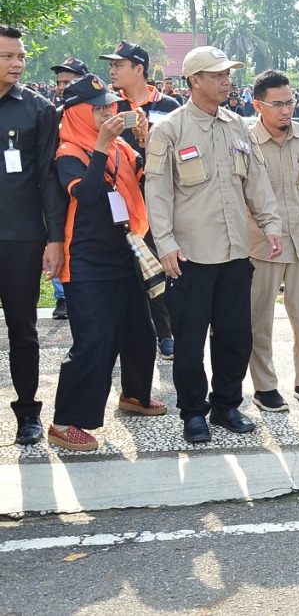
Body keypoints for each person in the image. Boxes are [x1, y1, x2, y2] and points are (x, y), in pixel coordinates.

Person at [146, 47, 283, 443]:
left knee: (235, 335)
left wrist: (269, 224)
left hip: (236, 252)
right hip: (189, 255)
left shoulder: (237, 126)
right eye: (217, 75)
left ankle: (226, 405)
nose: (227, 81)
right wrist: (166, 244)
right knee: (188, 342)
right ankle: (193, 412)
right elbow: (157, 191)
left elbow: (256, 181)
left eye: (228, 74)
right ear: (194, 81)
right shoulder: (169, 129)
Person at [47, 75, 167, 450]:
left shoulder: (121, 148)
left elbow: (146, 181)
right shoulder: (69, 151)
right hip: (87, 260)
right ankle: (65, 423)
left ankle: (133, 395)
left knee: (139, 332)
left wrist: (145, 142)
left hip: (124, 252)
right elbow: (88, 193)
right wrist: (100, 147)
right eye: (97, 108)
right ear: (78, 113)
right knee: (94, 341)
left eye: (109, 106)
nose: (106, 113)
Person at [244, 70, 299, 412]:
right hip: (261, 243)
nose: (285, 110)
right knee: (259, 321)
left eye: (289, 102)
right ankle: (265, 387)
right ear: (258, 105)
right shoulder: (245, 141)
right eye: (276, 104)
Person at [0, 25, 66, 446]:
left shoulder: (37, 110)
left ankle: (27, 412)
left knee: (22, 328)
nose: (17, 63)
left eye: (20, 56)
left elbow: (48, 179)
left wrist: (54, 239)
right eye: (7, 56)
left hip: (21, 237)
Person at [99, 41, 182, 359]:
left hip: (159, 202)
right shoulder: (108, 106)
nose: (112, 70)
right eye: (111, 65)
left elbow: (178, 155)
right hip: (119, 202)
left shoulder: (169, 104)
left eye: (119, 65)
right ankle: (128, 334)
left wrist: (148, 140)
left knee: (161, 266)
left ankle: (166, 332)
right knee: (123, 268)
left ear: (139, 69)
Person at [48, 57, 90, 321]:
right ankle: (62, 297)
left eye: (69, 81)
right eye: (60, 82)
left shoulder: (98, 112)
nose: (62, 87)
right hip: (58, 191)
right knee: (57, 241)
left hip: (85, 192)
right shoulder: (52, 115)